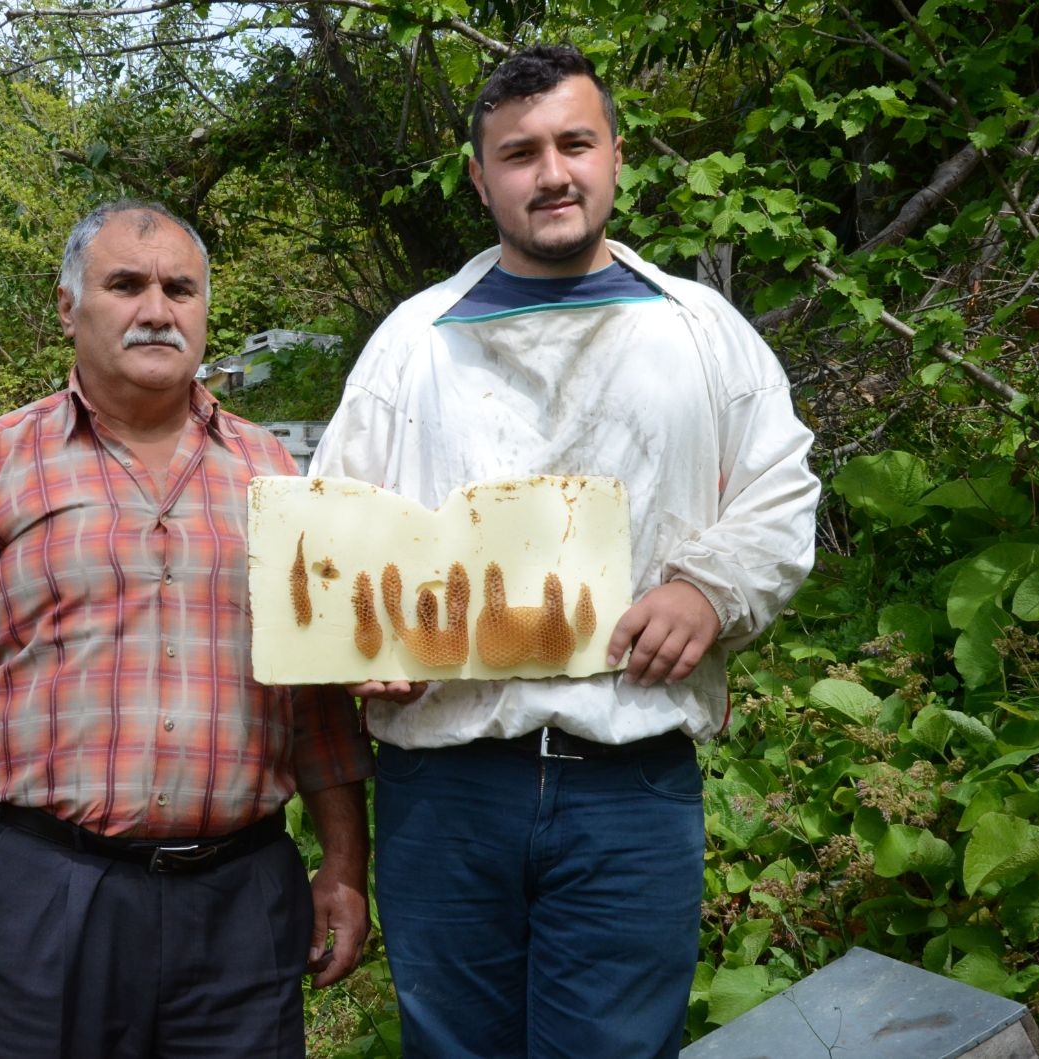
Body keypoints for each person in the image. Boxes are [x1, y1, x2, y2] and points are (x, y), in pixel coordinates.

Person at [309, 45, 820, 1058]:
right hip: (447, 791)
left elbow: (780, 488)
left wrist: (709, 591)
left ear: (616, 156)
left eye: (574, 143)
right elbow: (334, 540)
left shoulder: (698, 331)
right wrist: (363, 644)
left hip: (628, 782)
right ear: (478, 177)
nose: (552, 174)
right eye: (519, 153)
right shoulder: (411, 345)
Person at [0, 200, 374, 1058]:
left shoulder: (273, 473)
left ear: (205, 309)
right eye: (125, 284)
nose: (157, 309)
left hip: (243, 901)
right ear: (68, 306)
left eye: (180, 288)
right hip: (53, 893)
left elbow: (316, 706)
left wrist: (346, 867)